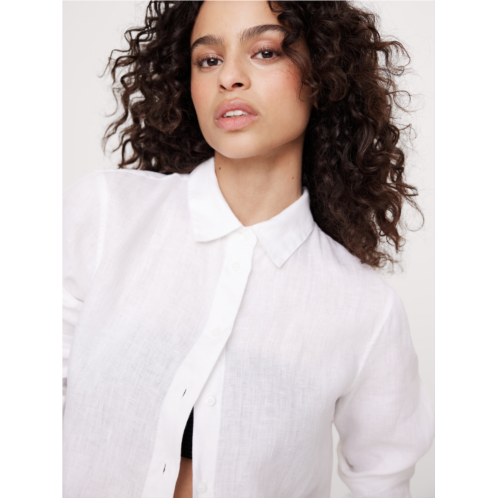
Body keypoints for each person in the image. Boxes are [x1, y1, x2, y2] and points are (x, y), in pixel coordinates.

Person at [61, 0, 435, 497]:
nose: (229, 77)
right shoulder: (106, 216)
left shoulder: (365, 309)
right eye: (208, 60)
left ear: (323, 75)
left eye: (265, 52)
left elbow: (383, 482)